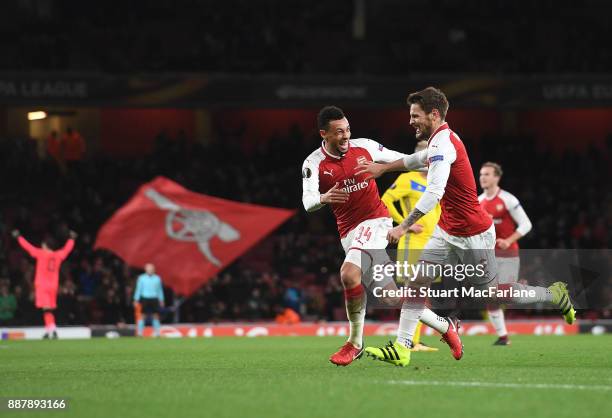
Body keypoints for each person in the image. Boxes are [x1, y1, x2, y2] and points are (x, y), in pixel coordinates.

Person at [356, 87, 575, 367]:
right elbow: (415, 160)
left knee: (492, 294)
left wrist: (402, 227)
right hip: (447, 230)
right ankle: (402, 347)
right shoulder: (439, 140)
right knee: (417, 282)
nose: (410, 121)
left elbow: (434, 192)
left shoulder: (444, 144)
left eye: (415, 115)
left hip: (474, 234)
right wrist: (383, 169)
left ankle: (553, 294)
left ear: (434, 114)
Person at [302, 105, 447, 366]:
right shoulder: (313, 163)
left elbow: (401, 158)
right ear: (324, 134)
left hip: (376, 221)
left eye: (347, 129)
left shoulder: (365, 147)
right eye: (338, 132)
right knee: (390, 296)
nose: (346, 136)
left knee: (348, 274)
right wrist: (324, 198)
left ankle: (354, 343)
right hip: (348, 231)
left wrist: (435, 155)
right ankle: (446, 327)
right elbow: (308, 202)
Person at [381, 139, 441, 352]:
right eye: (424, 155)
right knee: (412, 291)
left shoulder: (437, 182)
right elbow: (385, 201)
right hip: (412, 243)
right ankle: (408, 341)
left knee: (423, 293)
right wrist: (404, 224)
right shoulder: (407, 178)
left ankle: (414, 340)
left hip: (433, 243)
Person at [479, 161, 533, 345]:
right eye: (481, 174)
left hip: (509, 254)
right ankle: (503, 337)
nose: (483, 178)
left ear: (496, 177)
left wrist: (509, 240)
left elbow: (526, 224)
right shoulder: (478, 202)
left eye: (487, 174)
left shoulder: (508, 200)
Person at [12, 229, 77, 339]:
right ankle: (49, 330)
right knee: (48, 308)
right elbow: (67, 250)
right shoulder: (58, 255)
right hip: (53, 285)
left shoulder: (41, 254)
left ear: (45, 245)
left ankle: (53, 329)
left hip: (42, 284)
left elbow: (28, 247)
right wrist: (72, 239)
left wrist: (18, 237)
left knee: (46, 309)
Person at [133, 263, 165, 337]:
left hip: (154, 298)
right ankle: (140, 333)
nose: (150, 270)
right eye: (148, 269)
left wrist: (161, 299)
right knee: (142, 315)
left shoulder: (157, 278)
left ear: (154, 270)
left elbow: (160, 290)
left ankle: (157, 333)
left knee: (156, 315)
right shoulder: (141, 278)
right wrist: (136, 299)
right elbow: (138, 289)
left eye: (151, 269)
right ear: (146, 269)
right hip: (145, 298)